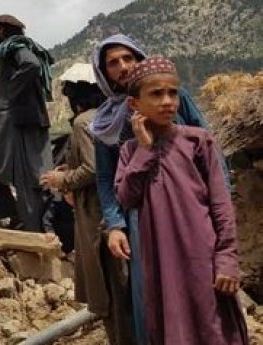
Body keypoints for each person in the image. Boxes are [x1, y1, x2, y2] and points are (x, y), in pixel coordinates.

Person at [90, 34, 227, 344]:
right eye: (113, 63)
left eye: (128, 58)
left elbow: (210, 153)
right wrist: (114, 224)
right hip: (141, 217)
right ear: (104, 73)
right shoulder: (105, 122)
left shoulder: (175, 100)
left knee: (203, 287)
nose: (123, 67)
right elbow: (105, 178)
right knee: (153, 293)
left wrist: (219, 207)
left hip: (192, 211)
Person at [115, 56, 247, 345]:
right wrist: (145, 150)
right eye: (156, 94)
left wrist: (227, 259)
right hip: (160, 261)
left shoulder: (199, 141)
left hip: (203, 257)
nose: (167, 101)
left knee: (213, 328)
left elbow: (221, 205)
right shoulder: (129, 152)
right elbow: (127, 198)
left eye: (172, 92)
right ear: (134, 105)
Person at [41, 63, 130, 344]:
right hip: (114, 210)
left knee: (108, 290)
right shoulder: (112, 117)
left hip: (95, 213)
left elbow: (92, 169)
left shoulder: (84, 123)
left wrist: (62, 179)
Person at [0, 14, 54, 232]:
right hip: (17, 123)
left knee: (27, 181)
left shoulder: (15, 46)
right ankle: (17, 219)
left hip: (18, 125)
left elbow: (30, 65)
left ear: (3, 31)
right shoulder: (12, 49)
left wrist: (10, 92)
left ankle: (32, 231)